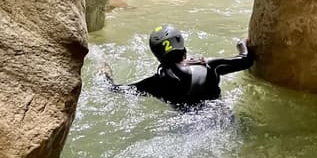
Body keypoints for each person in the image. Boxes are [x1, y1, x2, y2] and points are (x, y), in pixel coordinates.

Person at [100, 23, 254, 107]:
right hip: (218, 116)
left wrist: (105, 74)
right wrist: (241, 43)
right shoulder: (208, 65)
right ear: (181, 44)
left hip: (188, 127)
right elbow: (246, 60)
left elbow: (115, 89)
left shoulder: (155, 83)